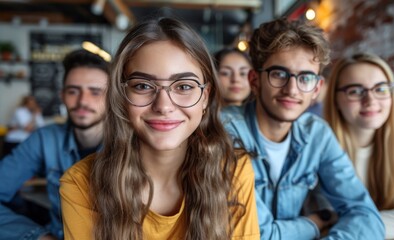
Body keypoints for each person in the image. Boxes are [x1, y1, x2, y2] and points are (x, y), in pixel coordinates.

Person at [59, 17, 259, 240]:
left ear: (205, 96)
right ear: (121, 96)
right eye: (143, 86)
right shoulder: (80, 184)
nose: (163, 106)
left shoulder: (232, 170)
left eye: (184, 86)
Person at [220, 19, 385, 239]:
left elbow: (365, 214)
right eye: (279, 74)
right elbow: (256, 235)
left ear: (316, 88)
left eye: (305, 78)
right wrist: (316, 223)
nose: (292, 89)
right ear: (255, 80)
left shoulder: (317, 134)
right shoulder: (224, 133)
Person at [0, 49, 109, 239]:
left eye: (95, 92)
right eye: (73, 91)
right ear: (62, 95)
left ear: (112, 97)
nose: (83, 101)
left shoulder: (135, 144)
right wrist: (36, 236)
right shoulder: (45, 139)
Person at [324, 52, 394, 239]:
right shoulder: (319, 152)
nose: (371, 100)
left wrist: (368, 226)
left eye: (380, 89)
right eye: (355, 91)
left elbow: (342, 226)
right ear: (335, 100)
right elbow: (323, 226)